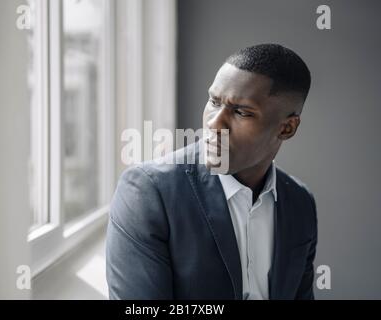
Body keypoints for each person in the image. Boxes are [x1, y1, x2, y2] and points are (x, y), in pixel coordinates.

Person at [106, 43, 317, 300]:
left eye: (241, 112)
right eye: (214, 102)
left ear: (286, 128)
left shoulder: (300, 203)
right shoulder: (147, 191)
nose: (214, 123)